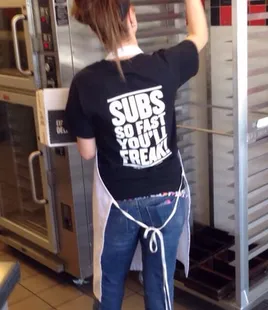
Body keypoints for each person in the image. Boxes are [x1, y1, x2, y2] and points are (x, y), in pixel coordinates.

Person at [65, 0, 208, 309]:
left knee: (110, 284)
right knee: (160, 286)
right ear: (132, 17)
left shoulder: (84, 83)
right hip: (169, 199)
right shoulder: (166, 65)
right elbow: (199, 35)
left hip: (119, 202)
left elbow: (87, 152)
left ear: (96, 30)